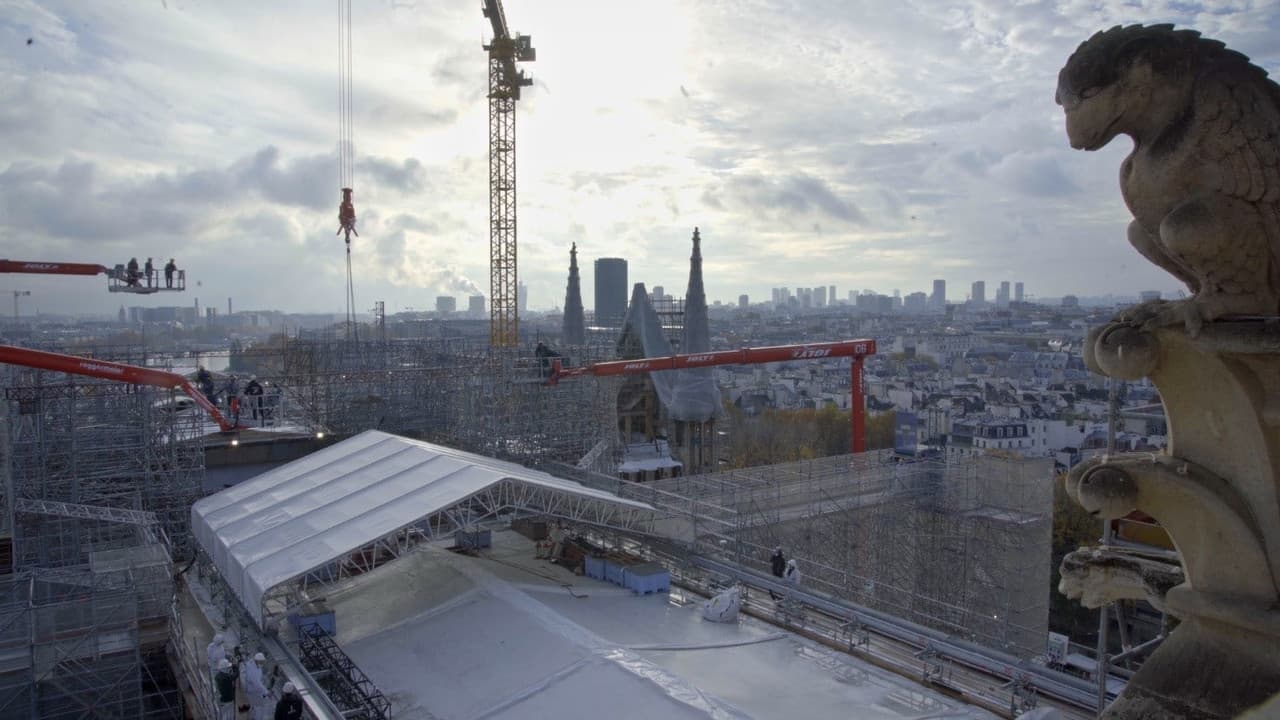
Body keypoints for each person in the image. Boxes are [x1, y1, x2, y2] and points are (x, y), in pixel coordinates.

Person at [244, 652, 271, 720]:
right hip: (254, 691)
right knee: (259, 708)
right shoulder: (253, 670)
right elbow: (257, 684)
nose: (262, 663)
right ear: (257, 661)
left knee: (255, 707)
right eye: (261, 662)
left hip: (252, 691)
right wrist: (266, 692)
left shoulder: (252, 665)